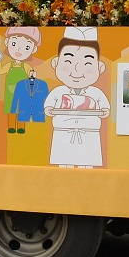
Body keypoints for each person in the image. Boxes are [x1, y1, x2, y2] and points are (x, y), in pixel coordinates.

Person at [43, 26, 110, 168]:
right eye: (68, 62)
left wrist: (104, 110)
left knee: (87, 165)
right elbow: (49, 106)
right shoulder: (58, 91)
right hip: (63, 132)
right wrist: (49, 109)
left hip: (89, 133)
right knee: (64, 165)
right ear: (56, 63)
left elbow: (105, 108)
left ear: (100, 67)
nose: (77, 70)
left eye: (87, 63)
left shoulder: (96, 93)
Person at [0, 26, 40, 134]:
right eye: (14, 44)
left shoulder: (26, 66)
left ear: (33, 49)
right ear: (7, 42)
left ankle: (21, 127)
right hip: (10, 93)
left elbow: (31, 75)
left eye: (27, 47)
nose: (19, 50)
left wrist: (32, 77)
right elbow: (0, 71)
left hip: (23, 92)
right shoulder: (9, 65)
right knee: (11, 110)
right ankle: (11, 127)